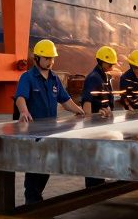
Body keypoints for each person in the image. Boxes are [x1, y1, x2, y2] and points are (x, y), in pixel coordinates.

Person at [15, 39, 86, 204]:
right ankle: (32, 204)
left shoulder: (54, 79)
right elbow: (20, 97)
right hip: (33, 134)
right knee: (34, 170)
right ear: (36, 58)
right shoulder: (27, 77)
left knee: (46, 167)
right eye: (46, 58)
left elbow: (65, 101)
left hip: (50, 133)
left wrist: (80, 110)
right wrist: (24, 111)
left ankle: (36, 200)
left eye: (52, 58)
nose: (50, 62)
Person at [79, 46, 119, 189]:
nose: (111, 66)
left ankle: (98, 184)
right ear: (101, 62)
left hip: (102, 124)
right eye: (109, 64)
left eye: (112, 64)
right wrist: (89, 124)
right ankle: (92, 188)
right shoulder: (93, 78)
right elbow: (87, 101)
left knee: (100, 156)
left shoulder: (105, 77)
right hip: (94, 126)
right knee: (93, 157)